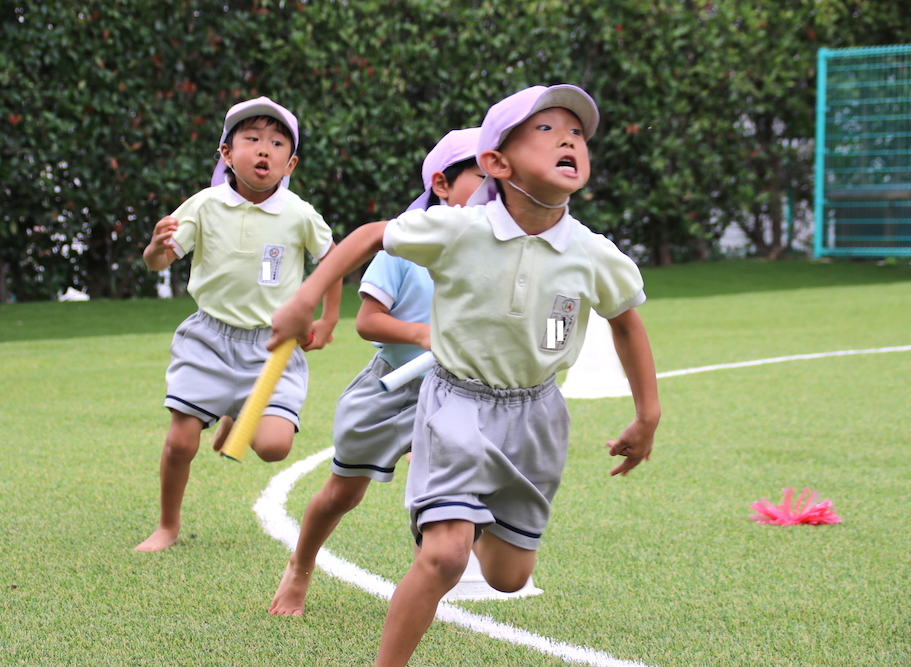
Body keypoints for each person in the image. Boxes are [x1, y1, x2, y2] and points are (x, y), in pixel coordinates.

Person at [267, 84, 661, 666]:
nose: (569, 141)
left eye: (576, 133)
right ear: (498, 163)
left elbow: (627, 323)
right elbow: (370, 235)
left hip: (537, 416)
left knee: (507, 576)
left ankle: (463, 515)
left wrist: (647, 414)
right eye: (547, 131)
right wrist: (306, 299)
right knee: (446, 558)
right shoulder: (459, 229)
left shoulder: (595, 253)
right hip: (456, 401)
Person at [268, 127, 485, 616]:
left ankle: (426, 594)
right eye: (480, 173)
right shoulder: (403, 245)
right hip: (392, 390)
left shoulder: (498, 248)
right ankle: (300, 566)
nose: (494, 184)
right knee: (341, 493)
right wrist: (422, 335)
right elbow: (368, 322)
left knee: (447, 509)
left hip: (458, 396)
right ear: (442, 184)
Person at [136, 97, 341, 552]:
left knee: (273, 446)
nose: (263, 150)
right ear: (227, 153)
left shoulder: (299, 214)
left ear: (291, 162)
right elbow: (159, 261)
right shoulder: (204, 206)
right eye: (251, 139)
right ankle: (167, 526)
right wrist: (154, 248)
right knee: (181, 441)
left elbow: (333, 261)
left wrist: (327, 320)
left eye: (275, 142)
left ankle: (235, 414)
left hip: (272, 348)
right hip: (208, 338)